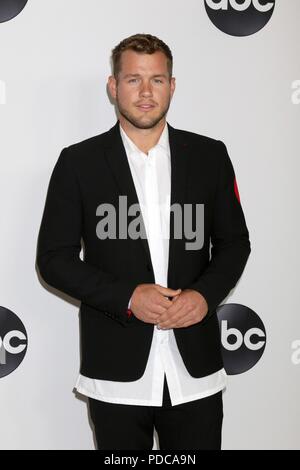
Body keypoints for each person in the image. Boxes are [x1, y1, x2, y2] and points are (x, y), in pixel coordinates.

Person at [36, 33, 251, 450]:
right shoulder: (78, 163)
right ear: (113, 87)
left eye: (157, 79)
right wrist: (128, 297)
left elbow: (235, 243)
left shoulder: (210, 156)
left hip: (195, 371)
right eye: (134, 80)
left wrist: (204, 296)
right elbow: (55, 259)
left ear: (172, 85)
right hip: (116, 373)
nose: (147, 92)